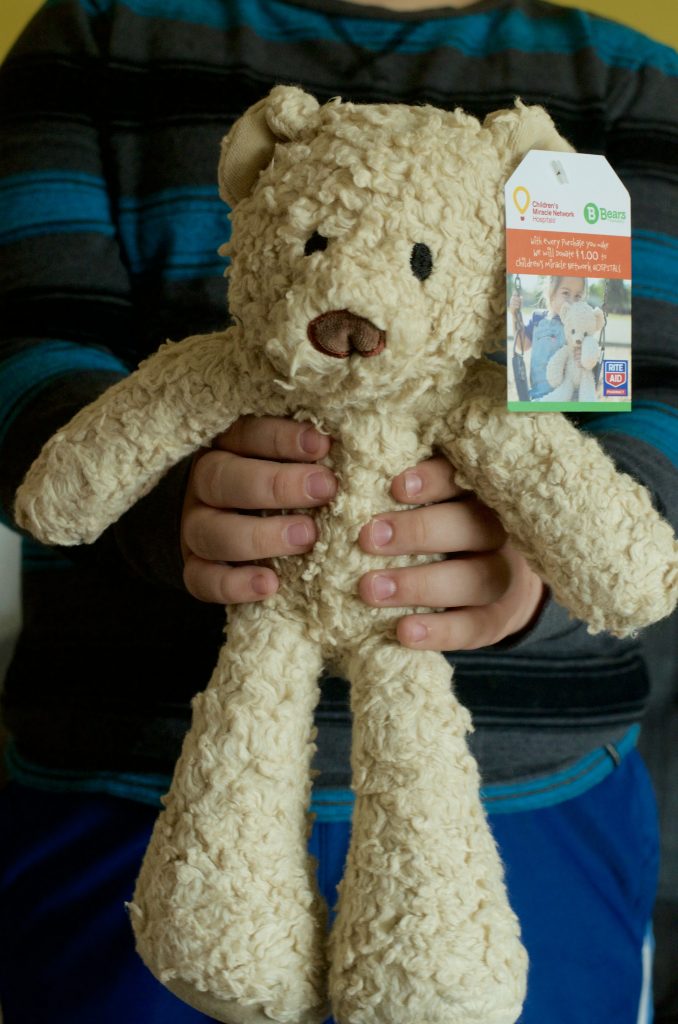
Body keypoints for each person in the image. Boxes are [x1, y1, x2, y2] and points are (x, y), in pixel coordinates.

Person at [0, 0, 676, 1021]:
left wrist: (532, 555)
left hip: (532, 789)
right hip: (127, 791)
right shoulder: (98, 37)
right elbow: (26, 364)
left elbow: (655, 408)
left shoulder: (624, 87)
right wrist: (170, 509)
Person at [510, 276, 587, 399]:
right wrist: (515, 314)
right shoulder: (538, 319)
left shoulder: (581, 327)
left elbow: (589, 359)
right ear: (551, 293)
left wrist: (583, 360)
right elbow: (522, 345)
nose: (572, 301)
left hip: (570, 398)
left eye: (578, 296)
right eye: (566, 293)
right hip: (540, 395)